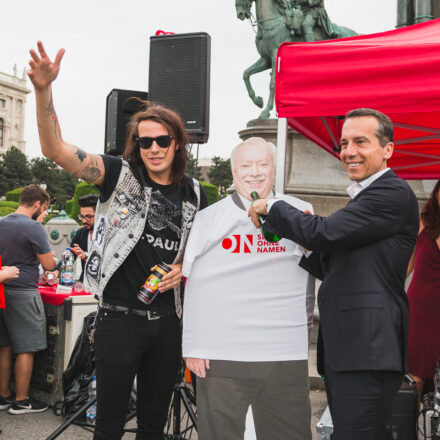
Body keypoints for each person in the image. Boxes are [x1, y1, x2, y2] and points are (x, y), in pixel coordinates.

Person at [28, 41, 206, 440]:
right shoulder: (118, 174)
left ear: (177, 142)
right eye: (145, 141)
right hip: (119, 320)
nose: (154, 148)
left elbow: (202, 253)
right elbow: (54, 149)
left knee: (153, 425)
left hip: (168, 323)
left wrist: (184, 269)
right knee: (108, 424)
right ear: (136, 145)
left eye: (162, 140)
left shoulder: (195, 192)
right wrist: (43, 91)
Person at [250, 108, 420, 440]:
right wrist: (303, 241)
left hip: (367, 352)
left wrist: (273, 206)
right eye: (344, 143)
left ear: (387, 149)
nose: (349, 152)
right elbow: (332, 259)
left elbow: (323, 234)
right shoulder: (367, 197)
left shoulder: (390, 193)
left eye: (361, 141)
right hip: (355, 351)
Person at [183, 137, 315, 440]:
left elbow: (315, 273)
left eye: (262, 164)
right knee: (220, 434)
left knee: (289, 433)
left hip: (284, 351)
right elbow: (193, 283)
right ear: (233, 173)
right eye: (246, 165)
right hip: (223, 352)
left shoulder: (300, 211)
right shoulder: (207, 219)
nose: (254, 172)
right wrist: (193, 344)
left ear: (274, 169)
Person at [0, 184, 56, 414]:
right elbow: (49, 265)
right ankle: (21, 401)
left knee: (4, 346)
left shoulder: (2, 221)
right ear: (37, 204)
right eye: (44, 207)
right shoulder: (33, 227)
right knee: (27, 348)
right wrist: (55, 262)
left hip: (3, 291)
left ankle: (3, 396)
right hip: (23, 292)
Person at [407, 180, 440, 401]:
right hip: (420, 308)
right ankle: (411, 431)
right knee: (415, 375)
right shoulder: (423, 220)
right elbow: (406, 263)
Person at [70, 194, 98, 281]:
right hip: (84, 282)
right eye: (82, 216)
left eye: (88, 217)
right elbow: (70, 255)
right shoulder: (80, 233)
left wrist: (86, 256)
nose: (84, 221)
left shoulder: (108, 235)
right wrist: (55, 271)